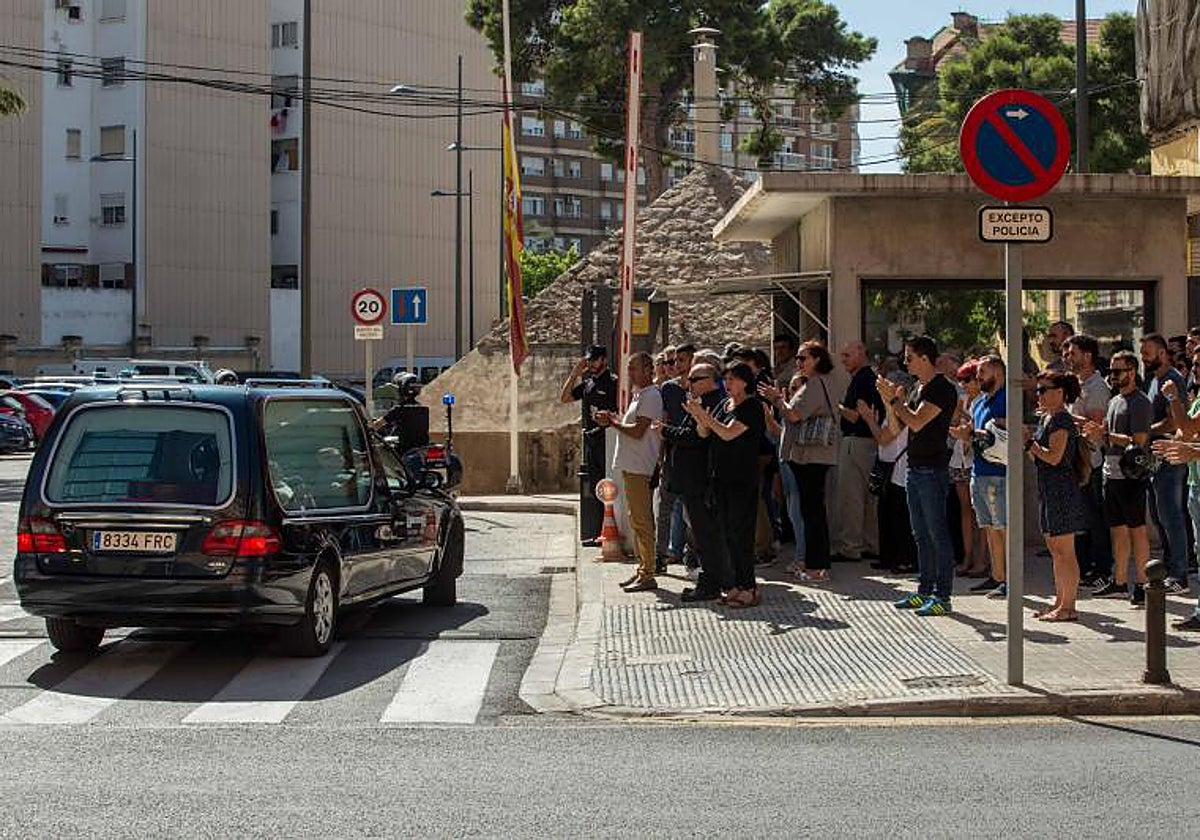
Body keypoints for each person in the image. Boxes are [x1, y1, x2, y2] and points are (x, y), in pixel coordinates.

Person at [877, 335, 959, 617]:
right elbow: (899, 425)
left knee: (938, 534)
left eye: (909, 357)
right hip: (914, 467)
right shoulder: (916, 387)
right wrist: (890, 402)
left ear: (925, 358)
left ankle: (943, 595)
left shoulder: (941, 389)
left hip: (933, 470)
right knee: (920, 534)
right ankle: (924, 590)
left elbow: (917, 421)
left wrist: (896, 401)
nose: (905, 361)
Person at [687, 362, 765, 608]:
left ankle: (749, 587)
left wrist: (705, 419)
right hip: (720, 477)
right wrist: (699, 418)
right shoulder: (724, 404)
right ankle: (735, 585)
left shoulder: (751, 406)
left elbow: (729, 433)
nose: (728, 383)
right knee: (727, 533)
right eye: (726, 379)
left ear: (744, 381)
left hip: (742, 479)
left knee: (741, 533)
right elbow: (705, 433)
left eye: (732, 379)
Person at [764, 342, 837, 582]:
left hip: (811, 455)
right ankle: (817, 564)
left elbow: (794, 414)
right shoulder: (825, 382)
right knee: (813, 509)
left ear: (816, 359)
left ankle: (816, 567)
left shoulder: (815, 384)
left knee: (812, 510)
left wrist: (777, 400)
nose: (798, 362)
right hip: (815, 454)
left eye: (802, 358)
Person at [1084, 350, 1152, 607]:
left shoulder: (1140, 402)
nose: (1112, 376)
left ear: (1132, 372)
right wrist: (1097, 433)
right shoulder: (1114, 401)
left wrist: (1106, 436)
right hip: (1110, 471)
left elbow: (1140, 441)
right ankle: (1120, 580)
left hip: (1131, 474)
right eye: (1111, 371)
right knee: (1118, 530)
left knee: (1137, 530)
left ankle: (1145, 583)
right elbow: (1109, 435)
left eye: (1117, 371)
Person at [659, 363, 731, 601]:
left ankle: (711, 583)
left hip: (699, 480)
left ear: (709, 380)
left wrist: (665, 431)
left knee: (705, 534)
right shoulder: (705, 401)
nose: (688, 384)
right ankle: (716, 579)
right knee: (704, 533)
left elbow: (696, 437)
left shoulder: (709, 402)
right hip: (695, 480)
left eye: (693, 379)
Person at [1025, 371, 1089, 621]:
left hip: (1062, 490)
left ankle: (1069, 606)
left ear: (1060, 393)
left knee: (1065, 552)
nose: (1038, 395)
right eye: (1037, 389)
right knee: (1054, 550)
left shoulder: (1061, 420)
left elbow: (1054, 457)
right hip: (1049, 489)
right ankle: (1060, 601)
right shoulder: (1048, 419)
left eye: (1043, 390)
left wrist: (1030, 443)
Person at [595, 352, 661, 592]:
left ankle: (649, 572)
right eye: (629, 368)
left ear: (647, 370)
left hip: (639, 466)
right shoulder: (639, 396)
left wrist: (613, 423)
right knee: (636, 519)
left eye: (634, 368)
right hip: (630, 465)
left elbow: (638, 431)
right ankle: (643, 568)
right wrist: (614, 419)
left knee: (642, 521)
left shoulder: (651, 396)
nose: (630, 373)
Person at [954, 356, 1008, 598]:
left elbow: (1008, 431)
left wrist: (979, 432)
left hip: (1000, 473)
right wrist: (965, 434)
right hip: (979, 470)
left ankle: (1007, 577)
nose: (978, 378)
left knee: (1002, 527)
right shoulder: (977, 403)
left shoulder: (1008, 398)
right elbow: (976, 436)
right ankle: (996, 575)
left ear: (997, 372)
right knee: (988, 526)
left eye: (982, 373)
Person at [1141, 333, 1190, 593]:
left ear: (1162, 353)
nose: (1143, 357)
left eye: (1147, 352)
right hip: (1154, 457)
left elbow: (1174, 421)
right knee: (1160, 515)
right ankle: (1170, 568)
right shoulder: (1154, 381)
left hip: (1170, 457)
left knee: (1171, 515)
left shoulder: (1173, 380)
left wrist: (1147, 429)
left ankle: (1180, 573)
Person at [1064, 334, 1114, 590]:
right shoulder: (1074, 384)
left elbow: (1096, 425)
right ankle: (1083, 567)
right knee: (1080, 519)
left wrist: (1066, 418)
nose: (1067, 358)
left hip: (1091, 461)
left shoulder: (1097, 387)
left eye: (1073, 353)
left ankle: (1102, 569)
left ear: (1088, 356)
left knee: (1095, 519)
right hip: (1075, 461)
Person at [559, 345, 618, 547]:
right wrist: (575, 373)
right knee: (596, 489)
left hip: (609, 440)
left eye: (594, 360)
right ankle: (600, 532)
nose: (591, 364)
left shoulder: (613, 383)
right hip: (592, 442)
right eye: (589, 360)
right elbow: (565, 397)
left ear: (604, 360)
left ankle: (612, 532)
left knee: (610, 487)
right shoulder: (588, 384)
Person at [859, 375, 917, 574]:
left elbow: (885, 437)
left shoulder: (904, 411)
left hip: (900, 470)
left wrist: (869, 420)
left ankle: (906, 559)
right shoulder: (891, 411)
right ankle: (889, 557)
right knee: (885, 515)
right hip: (888, 469)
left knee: (900, 516)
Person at [832, 341, 883, 563]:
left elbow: (854, 416)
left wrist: (836, 405)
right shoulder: (870, 379)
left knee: (851, 497)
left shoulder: (862, 380)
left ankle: (851, 546)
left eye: (847, 355)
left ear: (861, 354)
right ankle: (873, 544)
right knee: (870, 498)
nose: (843, 360)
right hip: (872, 442)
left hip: (857, 442)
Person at [950, 359, 983, 577]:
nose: (963, 384)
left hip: (975, 460)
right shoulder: (962, 399)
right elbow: (952, 426)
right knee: (965, 510)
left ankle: (981, 559)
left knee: (980, 512)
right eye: (960, 380)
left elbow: (980, 428)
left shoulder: (983, 400)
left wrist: (965, 417)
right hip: (959, 458)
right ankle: (967, 556)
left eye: (967, 379)